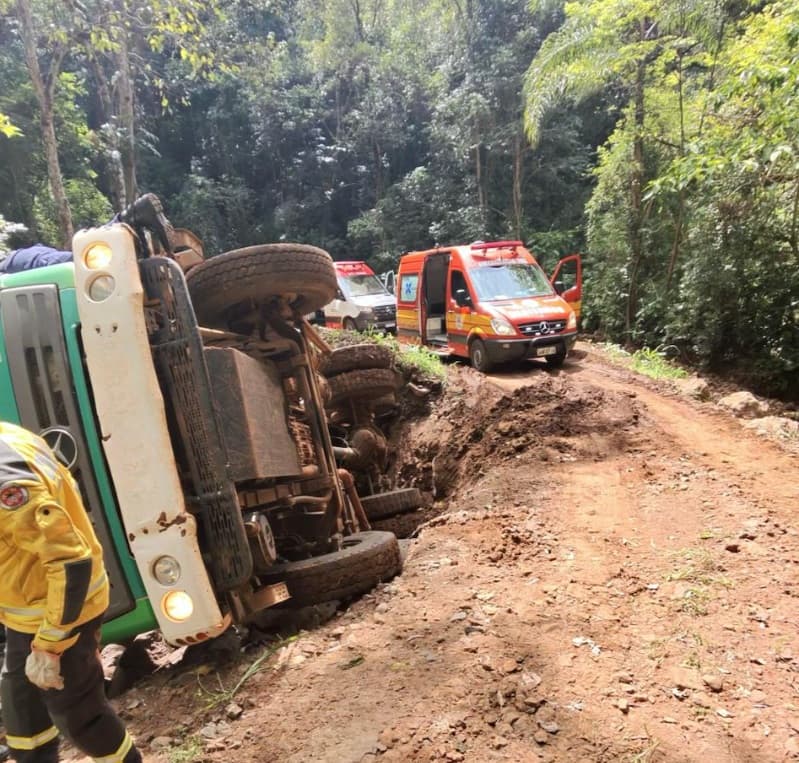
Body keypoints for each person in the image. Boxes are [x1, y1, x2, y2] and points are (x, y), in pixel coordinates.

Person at [0, 422, 141, 763]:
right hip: (26, 610)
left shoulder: (7, 482)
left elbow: (70, 564)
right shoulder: (10, 435)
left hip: (64, 609)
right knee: (23, 715)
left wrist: (50, 645)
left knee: (80, 716)